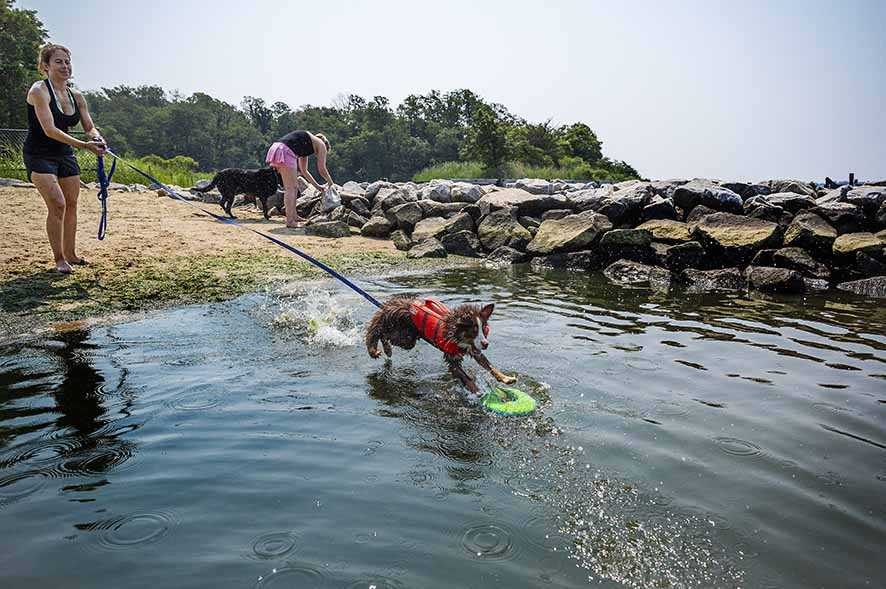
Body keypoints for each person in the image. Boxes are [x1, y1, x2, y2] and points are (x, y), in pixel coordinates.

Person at [24, 44, 106, 274]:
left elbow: (89, 126)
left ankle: (71, 254)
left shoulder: (77, 96)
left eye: (67, 61)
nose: (65, 66)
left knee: (71, 204)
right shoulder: (38, 91)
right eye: (58, 61)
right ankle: (59, 259)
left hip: (65, 154)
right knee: (58, 204)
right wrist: (84, 146)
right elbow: (49, 129)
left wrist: (97, 138)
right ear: (45, 66)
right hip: (39, 154)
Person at [265, 130, 333, 228]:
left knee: (294, 187)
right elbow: (322, 169)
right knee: (291, 188)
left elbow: (304, 171)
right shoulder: (321, 144)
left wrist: (318, 187)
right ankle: (290, 221)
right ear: (326, 147)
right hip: (285, 151)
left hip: (278, 148)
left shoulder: (307, 144)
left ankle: (294, 216)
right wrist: (331, 183)